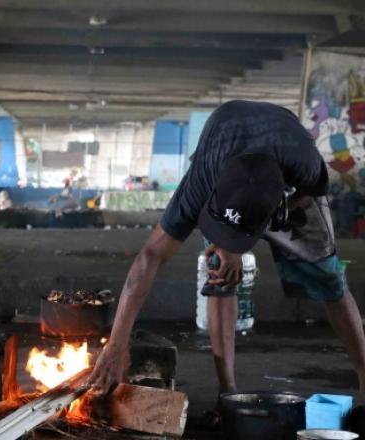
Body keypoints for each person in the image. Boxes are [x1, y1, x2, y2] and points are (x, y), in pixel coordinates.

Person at [87, 101, 365, 424]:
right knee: (220, 271)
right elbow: (149, 256)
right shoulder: (202, 181)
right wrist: (116, 344)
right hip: (228, 150)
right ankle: (228, 396)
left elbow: (315, 189)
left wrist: (279, 212)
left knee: (329, 280)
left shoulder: (304, 163)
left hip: (286, 186)